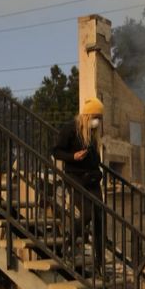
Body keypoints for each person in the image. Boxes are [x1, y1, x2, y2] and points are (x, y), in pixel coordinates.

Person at [51, 98, 105, 273]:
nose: (98, 121)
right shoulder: (70, 129)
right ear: (87, 115)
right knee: (87, 214)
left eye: (100, 118)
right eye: (96, 116)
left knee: (99, 218)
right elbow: (56, 151)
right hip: (75, 178)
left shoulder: (93, 133)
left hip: (92, 180)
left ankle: (100, 264)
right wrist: (73, 157)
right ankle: (68, 242)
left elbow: (95, 159)